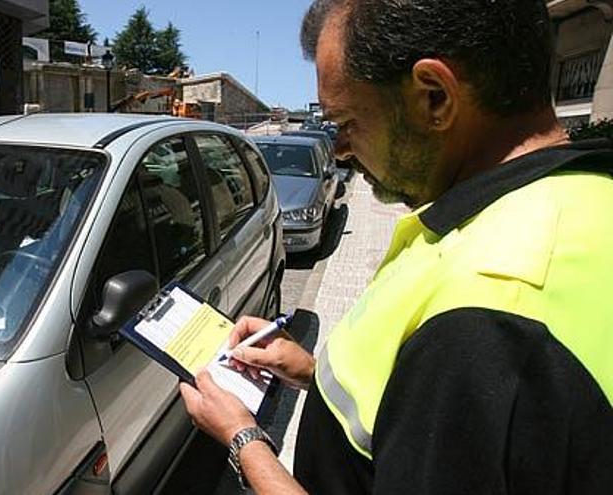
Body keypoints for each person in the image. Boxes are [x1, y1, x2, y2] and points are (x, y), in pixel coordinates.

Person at [179, 1, 613, 493]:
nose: (339, 149)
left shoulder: (485, 318)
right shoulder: (584, 196)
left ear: (434, 98)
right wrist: (312, 373)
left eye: (346, 122)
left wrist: (243, 439)